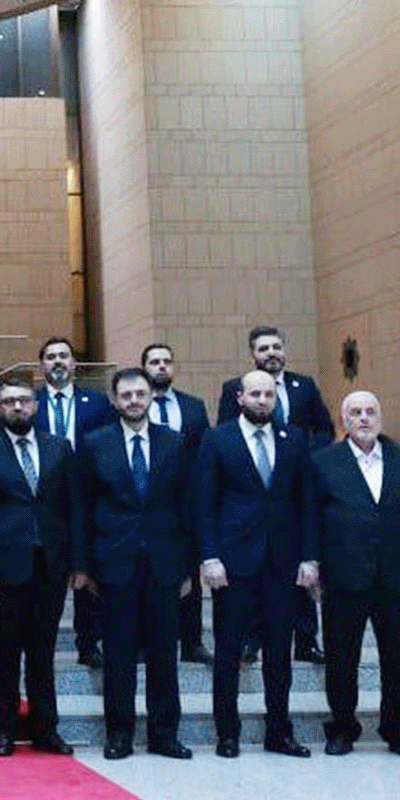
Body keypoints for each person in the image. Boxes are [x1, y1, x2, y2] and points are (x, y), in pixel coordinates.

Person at [194, 371, 317, 758]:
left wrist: (309, 557)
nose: (263, 400)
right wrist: (209, 556)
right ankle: (227, 733)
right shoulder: (217, 439)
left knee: (279, 653)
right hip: (232, 563)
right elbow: (204, 504)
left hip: (282, 562)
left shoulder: (294, 438)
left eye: (268, 394)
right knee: (228, 653)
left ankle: (279, 732)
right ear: (240, 398)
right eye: (255, 394)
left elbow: (306, 503)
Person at [73, 367, 193, 761]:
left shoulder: (174, 442)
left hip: (163, 563)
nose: (134, 401)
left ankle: (164, 734)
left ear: (151, 396)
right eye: (126, 395)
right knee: (118, 655)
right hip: (114, 563)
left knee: (164, 655)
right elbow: (83, 508)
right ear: (114, 400)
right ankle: (119, 734)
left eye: (140, 394)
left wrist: (188, 567)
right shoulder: (95, 443)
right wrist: (84, 566)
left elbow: (187, 506)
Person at [307, 390, 400, 758]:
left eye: (370, 411)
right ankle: (342, 728)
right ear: (344, 422)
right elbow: (311, 519)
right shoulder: (322, 463)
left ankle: (399, 730)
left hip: (394, 576)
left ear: (380, 418)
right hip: (343, 576)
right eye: (355, 412)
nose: (363, 418)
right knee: (341, 658)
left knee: (397, 659)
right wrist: (311, 563)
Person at [0, 382, 77, 756]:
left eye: (24, 400)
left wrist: (76, 563)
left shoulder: (59, 447)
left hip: (50, 566)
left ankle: (46, 730)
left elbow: (72, 508)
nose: (17, 407)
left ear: (36, 405)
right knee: (5, 655)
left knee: (43, 654)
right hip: (2, 570)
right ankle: (3, 730)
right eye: (9, 402)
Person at [217, 325, 333, 664]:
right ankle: (253, 639)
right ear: (252, 354)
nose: (271, 353)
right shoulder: (234, 388)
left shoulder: (304, 385)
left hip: (294, 491)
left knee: (298, 566)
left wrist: (304, 455)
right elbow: (226, 435)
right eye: (263, 348)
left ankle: (307, 640)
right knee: (258, 569)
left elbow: (325, 429)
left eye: (276, 346)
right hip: (252, 497)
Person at [37, 336, 115, 669]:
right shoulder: (30, 402)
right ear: (42, 365)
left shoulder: (97, 403)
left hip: (88, 495)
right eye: (51, 356)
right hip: (43, 499)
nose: (58, 361)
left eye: (63, 356)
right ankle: (40, 643)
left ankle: (89, 642)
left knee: (88, 570)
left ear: (74, 364)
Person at [142, 342, 213, 664]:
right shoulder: (136, 404)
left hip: (185, 502)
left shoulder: (193, 406)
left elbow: (205, 453)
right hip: (146, 502)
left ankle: (192, 641)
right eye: (154, 362)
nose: (161, 366)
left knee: (189, 572)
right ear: (144, 367)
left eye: (166, 361)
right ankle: (146, 641)